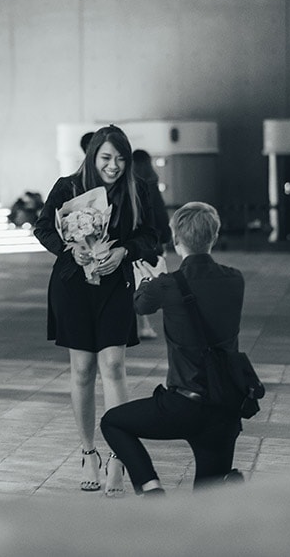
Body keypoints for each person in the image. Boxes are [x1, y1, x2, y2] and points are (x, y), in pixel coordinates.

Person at [33, 125, 160, 497]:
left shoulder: (138, 190)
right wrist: (69, 249)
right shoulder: (67, 187)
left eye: (120, 159)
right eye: (106, 158)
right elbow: (43, 228)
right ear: (92, 157)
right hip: (73, 286)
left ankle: (119, 456)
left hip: (115, 286)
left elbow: (151, 235)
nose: (114, 166)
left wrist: (124, 251)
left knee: (114, 366)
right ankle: (89, 453)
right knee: (83, 369)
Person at [100, 201, 244, 496]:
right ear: (214, 237)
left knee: (113, 422)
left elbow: (141, 305)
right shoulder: (235, 279)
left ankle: (151, 487)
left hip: (182, 405)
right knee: (206, 499)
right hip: (224, 409)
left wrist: (150, 281)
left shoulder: (167, 285)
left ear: (176, 239)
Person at [131, 149, 172, 340]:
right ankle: (144, 326)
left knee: (133, 283)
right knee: (145, 283)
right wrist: (165, 237)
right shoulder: (150, 184)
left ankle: (139, 324)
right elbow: (160, 213)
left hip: (131, 243)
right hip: (151, 243)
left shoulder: (128, 185)